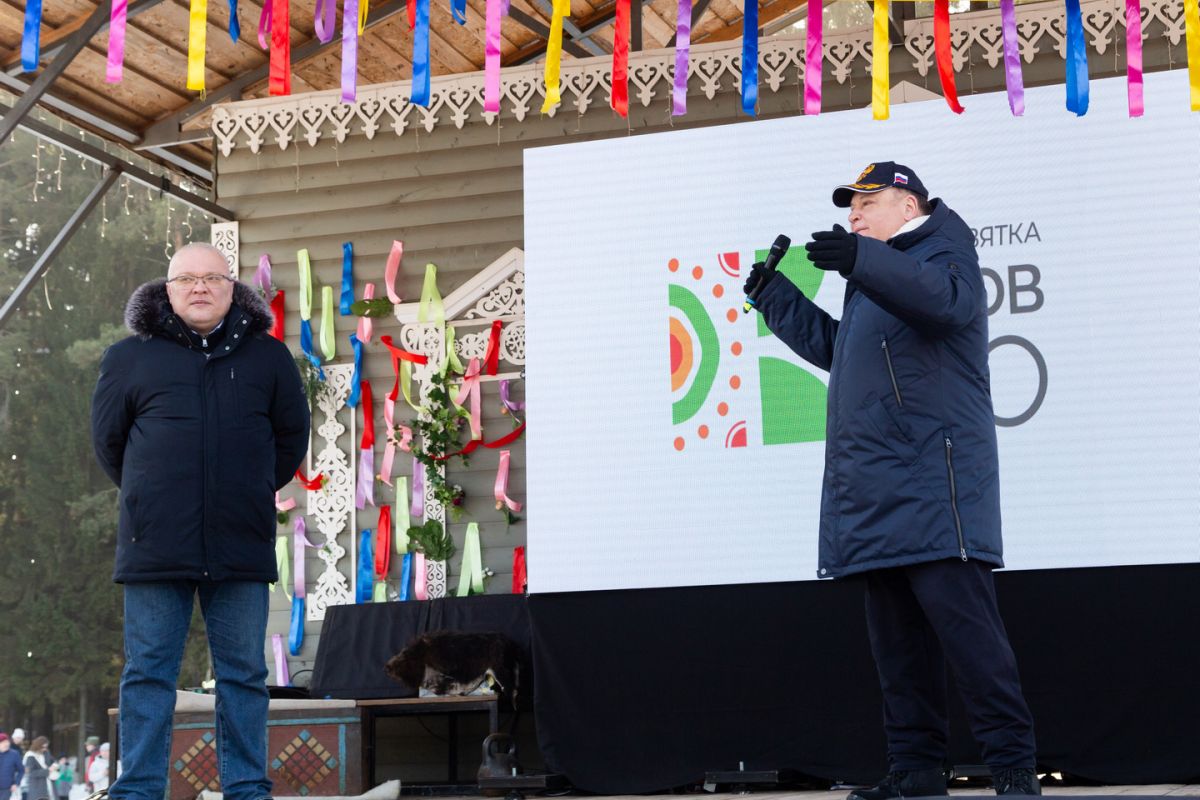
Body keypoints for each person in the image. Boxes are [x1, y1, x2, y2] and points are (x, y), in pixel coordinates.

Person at [744, 163, 1040, 797]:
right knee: (899, 652)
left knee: (971, 645)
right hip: (877, 492)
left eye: (865, 203)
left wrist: (859, 260)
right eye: (850, 206)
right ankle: (916, 773)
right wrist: (778, 298)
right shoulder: (878, 271)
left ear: (907, 204)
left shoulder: (942, 250)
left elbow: (946, 304)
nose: (853, 214)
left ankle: (1015, 770)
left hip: (936, 486)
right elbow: (840, 349)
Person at [91, 242, 310, 800]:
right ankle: (137, 789)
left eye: (213, 277)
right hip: (155, 544)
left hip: (240, 540)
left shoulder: (270, 358)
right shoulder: (128, 358)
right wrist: (153, 495)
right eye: (186, 278)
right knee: (148, 675)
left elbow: (290, 442)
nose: (199, 287)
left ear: (233, 287)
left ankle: (246, 788)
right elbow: (109, 446)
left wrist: (250, 489)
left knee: (243, 675)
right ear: (167, 290)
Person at [0, 734, 24, 800]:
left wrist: (16, 783)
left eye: (7, 742)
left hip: (7, 788)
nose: (6, 744)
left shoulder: (14, 754)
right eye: (3, 742)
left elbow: (21, 770)